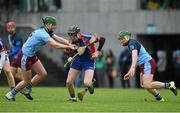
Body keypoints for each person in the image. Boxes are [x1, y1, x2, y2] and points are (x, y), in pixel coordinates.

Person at [5, 16, 75, 101]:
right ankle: (11, 94)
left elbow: (58, 38)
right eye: (53, 25)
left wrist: (70, 43)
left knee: (42, 73)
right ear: (48, 25)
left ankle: (27, 89)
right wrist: (69, 47)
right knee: (26, 80)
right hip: (25, 56)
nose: (55, 27)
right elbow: (55, 45)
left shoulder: (46, 30)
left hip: (31, 55)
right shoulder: (43, 34)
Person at [117, 30, 177, 101]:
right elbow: (137, 58)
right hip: (144, 64)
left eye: (121, 38)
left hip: (147, 63)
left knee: (147, 84)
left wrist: (132, 68)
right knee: (144, 85)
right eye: (119, 39)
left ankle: (170, 85)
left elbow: (135, 55)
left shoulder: (131, 43)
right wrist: (131, 71)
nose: (120, 41)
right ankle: (159, 98)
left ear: (127, 37)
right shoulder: (131, 43)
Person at [66, 25, 105, 102]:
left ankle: (90, 85)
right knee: (69, 82)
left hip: (89, 61)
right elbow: (72, 52)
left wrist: (98, 51)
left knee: (86, 83)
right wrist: (70, 57)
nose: (70, 36)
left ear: (77, 34)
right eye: (69, 34)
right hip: (77, 60)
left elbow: (103, 39)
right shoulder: (71, 41)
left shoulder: (87, 37)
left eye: (72, 34)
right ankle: (73, 98)